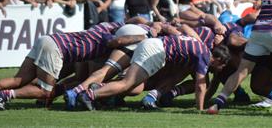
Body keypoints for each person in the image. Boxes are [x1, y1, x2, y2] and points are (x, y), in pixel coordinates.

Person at [0, 21, 139, 110]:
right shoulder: (109, 37)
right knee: (45, 91)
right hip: (57, 48)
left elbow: (132, 21)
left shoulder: (102, 27)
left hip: (48, 39)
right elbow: (118, 41)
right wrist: (144, 36)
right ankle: (4, 95)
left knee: (19, 80)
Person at [77, 36, 231, 111]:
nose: (222, 68)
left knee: (134, 85)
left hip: (154, 47)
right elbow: (200, 86)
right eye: (222, 64)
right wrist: (200, 109)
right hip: (156, 50)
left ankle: (99, 88)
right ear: (216, 59)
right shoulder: (204, 55)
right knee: (127, 84)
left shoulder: (201, 48)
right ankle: (89, 95)